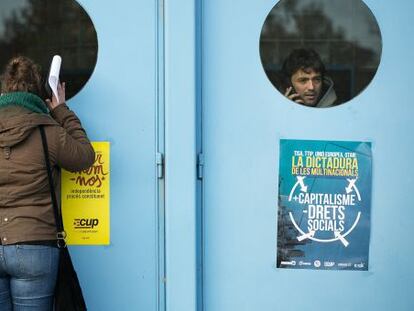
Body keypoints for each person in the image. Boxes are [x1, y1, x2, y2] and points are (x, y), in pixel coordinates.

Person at [0, 56, 95, 310]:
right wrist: (61, 109)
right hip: (35, 248)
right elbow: (85, 157)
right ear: (39, 90)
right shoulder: (48, 132)